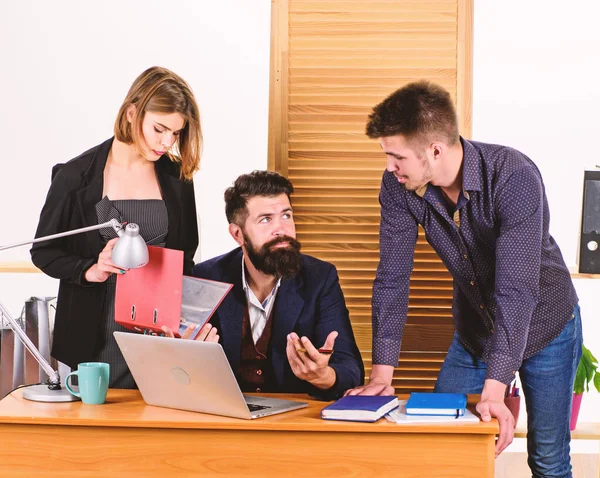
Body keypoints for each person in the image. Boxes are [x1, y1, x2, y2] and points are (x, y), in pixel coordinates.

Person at [346, 81, 581, 476]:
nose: (389, 167)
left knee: (547, 458)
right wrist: (381, 376)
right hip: (475, 331)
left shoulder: (513, 176)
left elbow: (517, 290)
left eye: (397, 156)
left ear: (435, 150)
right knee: (441, 443)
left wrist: (496, 388)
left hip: (546, 327)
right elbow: (392, 278)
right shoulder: (399, 186)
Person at [31, 66, 202, 389]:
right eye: (159, 129)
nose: (167, 142)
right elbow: (44, 252)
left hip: (160, 339)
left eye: (176, 133)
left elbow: (186, 259)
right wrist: (89, 269)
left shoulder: (178, 179)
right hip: (89, 338)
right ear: (131, 113)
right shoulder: (75, 176)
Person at [190, 170, 364, 400]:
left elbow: (350, 369)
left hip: (294, 425)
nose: (281, 229)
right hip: (225, 420)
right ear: (238, 234)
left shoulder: (320, 277)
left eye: (286, 215)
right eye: (265, 219)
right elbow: (184, 373)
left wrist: (324, 376)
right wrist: (185, 355)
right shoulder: (206, 276)